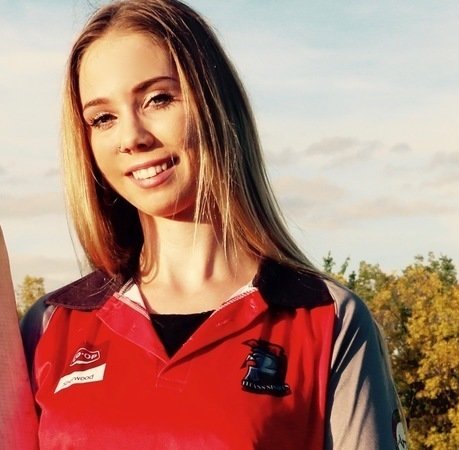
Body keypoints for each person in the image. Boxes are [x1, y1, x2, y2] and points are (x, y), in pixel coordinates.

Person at [20, 0, 407, 448]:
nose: (132, 138)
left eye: (158, 99)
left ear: (215, 104)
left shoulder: (327, 318)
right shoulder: (51, 326)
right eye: (103, 118)